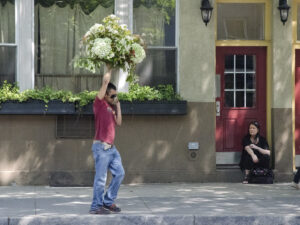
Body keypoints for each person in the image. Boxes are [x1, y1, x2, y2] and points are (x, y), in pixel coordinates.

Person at [89, 65, 125, 215]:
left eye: (115, 95)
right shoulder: (99, 104)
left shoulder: (111, 107)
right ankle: (96, 206)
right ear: (104, 95)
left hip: (112, 148)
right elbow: (105, 83)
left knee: (120, 173)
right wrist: (109, 69)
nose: (114, 98)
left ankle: (108, 201)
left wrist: (118, 106)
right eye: (112, 96)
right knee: (101, 179)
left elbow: (119, 123)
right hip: (101, 147)